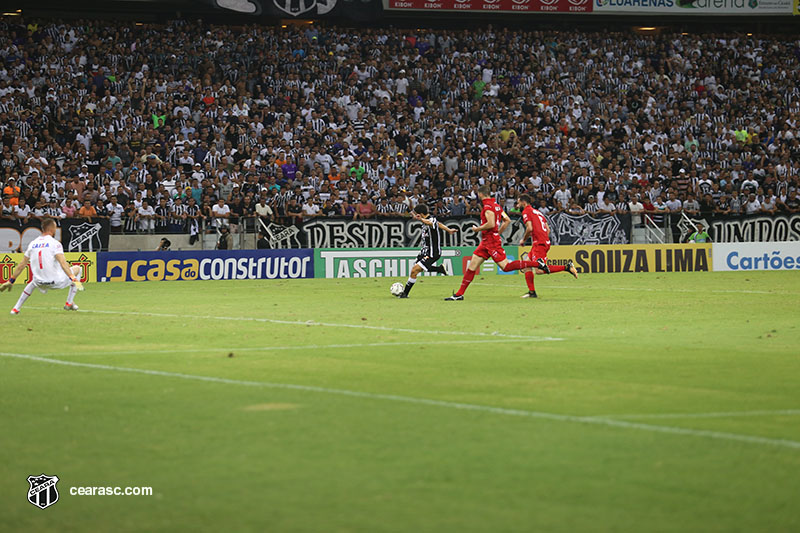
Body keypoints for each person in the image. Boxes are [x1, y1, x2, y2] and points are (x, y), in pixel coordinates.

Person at [445, 186, 541, 301]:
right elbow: (507, 220)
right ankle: (459, 294)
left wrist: (478, 229)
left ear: (481, 194)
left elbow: (490, 224)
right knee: (472, 267)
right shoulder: (496, 206)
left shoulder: (487, 206)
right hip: (486, 242)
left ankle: (536, 264)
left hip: (491, 242)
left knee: (506, 267)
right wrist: (498, 232)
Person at [0, 218, 84, 314]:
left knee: (32, 283)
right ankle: (69, 303)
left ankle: (15, 308)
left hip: (39, 282)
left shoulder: (32, 244)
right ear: (52, 229)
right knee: (78, 269)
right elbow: (63, 264)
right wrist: (74, 280)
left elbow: (22, 265)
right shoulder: (55, 243)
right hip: (55, 282)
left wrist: (11, 280)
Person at [517, 194, 578, 298]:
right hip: (542, 241)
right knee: (527, 265)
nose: (517, 205)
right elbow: (548, 230)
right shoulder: (538, 212)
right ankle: (532, 292)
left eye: (518, 203)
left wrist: (523, 239)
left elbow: (529, 228)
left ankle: (567, 267)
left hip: (539, 243)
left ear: (523, 202)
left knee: (539, 270)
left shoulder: (526, 211)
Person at [397, 204, 456, 298]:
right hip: (425, 251)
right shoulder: (428, 221)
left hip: (433, 253)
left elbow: (431, 223)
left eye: (417, 214)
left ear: (420, 214)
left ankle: (405, 294)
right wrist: (448, 230)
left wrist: (420, 219)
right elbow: (439, 224)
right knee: (417, 268)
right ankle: (439, 269)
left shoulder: (431, 220)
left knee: (414, 270)